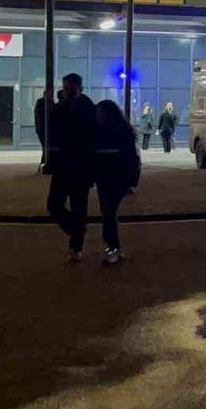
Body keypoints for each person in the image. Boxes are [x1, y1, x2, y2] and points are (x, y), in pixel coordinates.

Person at [47, 73, 97, 262]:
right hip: (63, 165)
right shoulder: (60, 107)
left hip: (81, 165)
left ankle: (76, 246)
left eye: (71, 87)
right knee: (54, 204)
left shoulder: (88, 109)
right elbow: (52, 132)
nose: (67, 90)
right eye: (66, 87)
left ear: (79, 88)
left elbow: (93, 137)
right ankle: (77, 230)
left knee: (78, 207)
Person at [93, 100, 140, 266]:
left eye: (100, 113)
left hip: (116, 178)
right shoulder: (120, 131)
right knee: (108, 212)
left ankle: (112, 247)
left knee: (108, 211)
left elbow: (132, 159)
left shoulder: (115, 132)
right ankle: (113, 247)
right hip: (107, 178)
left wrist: (132, 180)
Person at [34, 88, 51, 173]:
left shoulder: (46, 103)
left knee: (46, 147)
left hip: (42, 128)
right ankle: (43, 164)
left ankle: (43, 164)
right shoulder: (42, 102)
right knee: (46, 146)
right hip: (42, 129)